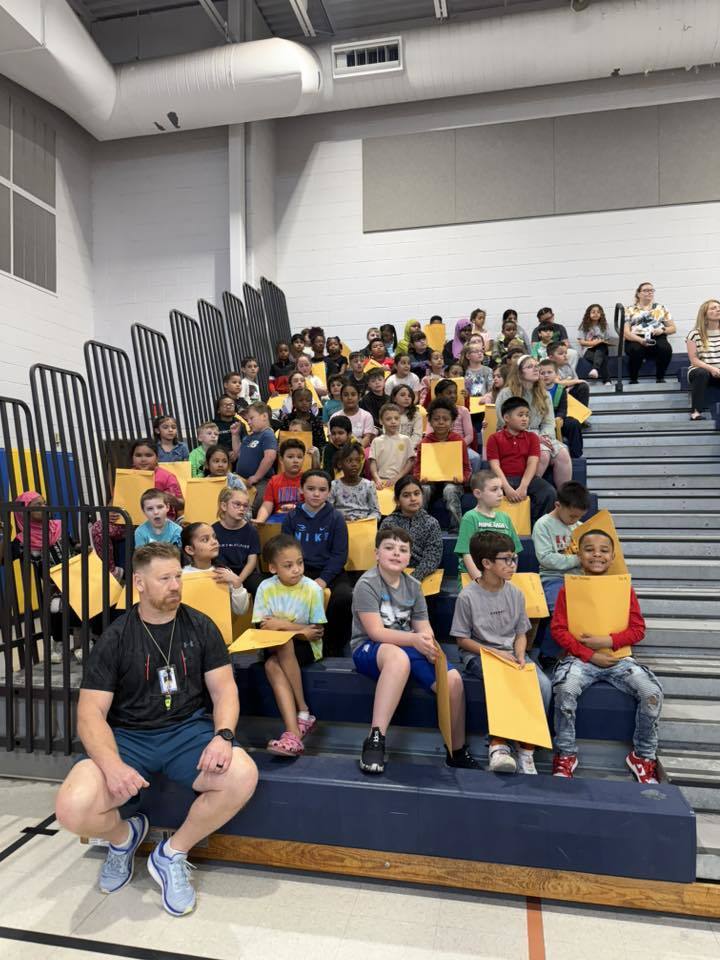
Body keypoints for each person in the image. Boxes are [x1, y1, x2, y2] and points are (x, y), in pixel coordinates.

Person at [54, 542, 259, 917]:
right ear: (139, 583)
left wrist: (223, 735)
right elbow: (89, 715)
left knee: (243, 774)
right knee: (71, 808)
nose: (175, 585)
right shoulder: (115, 638)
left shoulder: (201, 625)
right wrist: (112, 766)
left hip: (187, 733)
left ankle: (171, 853)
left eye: (178, 576)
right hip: (129, 738)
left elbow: (224, 689)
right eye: (164, 578)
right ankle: (124, 837)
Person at [351, 527, 480, 775]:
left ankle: (456, 750)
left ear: (410, 557)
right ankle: (375, 738)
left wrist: (430, 646)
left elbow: (423, 628)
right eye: (389, 548)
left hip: (405, 646)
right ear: (376, 553)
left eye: (403, 550)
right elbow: (377, 632)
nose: (396, 554)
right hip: (369, 648)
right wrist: (415, 640)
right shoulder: (366, 584)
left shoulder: (413, 585)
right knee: (398, 658)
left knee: (452, 679)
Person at [551, 530, 663, 783]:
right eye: (589, 549)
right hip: (580, 659)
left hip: (619, 659)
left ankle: (643, 756)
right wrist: (590, 654)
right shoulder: (568, 590)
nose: (597, 554)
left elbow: (638, 629)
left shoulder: (623, 589)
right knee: (566, 689)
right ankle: (565, 754)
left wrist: (608, 641)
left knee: (651, 692)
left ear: (613, 556)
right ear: (579, 555)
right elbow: (559, 630)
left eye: (603, 550)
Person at [451, 531, 550, 774]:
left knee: (544, 685)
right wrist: (496, 655)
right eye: (506, 559)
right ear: (486, 563)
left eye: (514, 558)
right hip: (480, 655)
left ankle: (527, 746)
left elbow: (520, 633)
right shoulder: (467, 597)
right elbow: (462, 640)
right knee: (505, 681)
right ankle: (498, 744)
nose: (512, 564)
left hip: (511, 653)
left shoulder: (515, 592)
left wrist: (518, 655)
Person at [252, 534, 327, 758]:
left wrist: (282, 626)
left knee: (274, 662)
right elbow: (263, 627)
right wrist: (297, 629)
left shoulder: (312, 589)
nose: (297, 569)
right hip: (273, 644)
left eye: (300, 562)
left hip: (307, 648)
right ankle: (301, 718)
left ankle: (294, 728)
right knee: (275, 657)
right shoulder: (265, 587)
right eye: (288, 565)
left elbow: (315, 632)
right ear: (273, 568)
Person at [281, 470, 352, 656]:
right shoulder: (291, 517)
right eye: (311, 488)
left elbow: (339, 555)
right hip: (299, 570)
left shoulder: (336, 518)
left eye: (322, 489)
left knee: (344, 596)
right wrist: (297, 575)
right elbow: (285, 552)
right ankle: (297, 642)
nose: (316, 493)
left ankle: (333, 646)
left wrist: (323, 580)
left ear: (329, 492)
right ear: (301, 489)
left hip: (330, 571)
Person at [91, 440, 184, 578]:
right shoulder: (127, 476)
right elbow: (113, 502)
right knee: (99, 527)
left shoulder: (166, 476)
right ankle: (112, 572)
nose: (143, 459)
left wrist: (171, 499)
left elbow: (181, 504)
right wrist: (110, 511)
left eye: (148, 455)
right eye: (138, 455)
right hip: (129, 524)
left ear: (156, 457)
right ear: (132, 458)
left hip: (158, 523)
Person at [10, 491, 82, 664]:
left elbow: (73, 545)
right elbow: (5, 558)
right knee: (56, 607)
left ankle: (82, 644)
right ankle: (58, 644)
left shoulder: (57, 526)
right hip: (52, 584)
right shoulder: (22, 540)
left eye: (44, 503)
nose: (44, 507)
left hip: (76, 576)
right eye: (37, 505)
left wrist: (83, 547)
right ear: (24, 512)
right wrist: (4, 534)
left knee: (82, 604)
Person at [495, 356, 573, 488]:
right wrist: (535, 438)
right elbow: (505, 422)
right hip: (513, 435)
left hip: (541, 435)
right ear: (519, 372)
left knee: (563, 454)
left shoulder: (544, 393)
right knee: (542, 453)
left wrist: (545, 436)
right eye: (530, 367)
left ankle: (563, 499)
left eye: (536, 366)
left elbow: (549, 422)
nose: (536, 369)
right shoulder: (506, 393)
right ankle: (526, 491)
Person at [486, 398, 556, 526]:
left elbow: (532, 463)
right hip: (502, 478)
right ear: (506, 417)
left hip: (525, 478)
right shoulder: (494, 438)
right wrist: (506, 487)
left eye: (527, 415)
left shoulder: (532, 437)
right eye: (520, 415)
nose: (525, 419)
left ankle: (537, 527)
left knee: (549, 492)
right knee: (488, 491)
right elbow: (494, 466)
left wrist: (524, 486)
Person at [454, 470, 522, 586]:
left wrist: (508, 574)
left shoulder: (505, 517)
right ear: (478, 493)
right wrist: (480, 580)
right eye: (494, 489)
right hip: (475, 579)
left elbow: (514, 553)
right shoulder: (470, 518)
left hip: (501, 578)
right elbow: (466, 553)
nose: (500, 493)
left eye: (501, 488)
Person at [413, 397, 471, 533]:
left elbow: (466, 468)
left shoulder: (458, 441)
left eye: (445, 419)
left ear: (452, 422)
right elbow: (417, 467)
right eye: (436, 419)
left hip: (452, 481)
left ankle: (457, 527)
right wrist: (419, 477)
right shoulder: (425, 442)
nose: (440, 422)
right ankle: (420, 525)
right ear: (430, 422)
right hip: (430, 481)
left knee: (450, 490)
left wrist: (462, 478)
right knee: (424, 489)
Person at [532, 481, 590, 614]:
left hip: (580, 578)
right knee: (560, 612)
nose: (575, 520)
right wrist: (578, 560)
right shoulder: (543, 525)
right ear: (558, 505)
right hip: (553, 578)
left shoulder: (580, 526)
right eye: (572, 516)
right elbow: (545, 558)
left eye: (580, 517)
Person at [379, 476, 442, 583]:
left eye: (416, 493)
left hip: (423, 576)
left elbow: (432, 559)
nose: (413, 498)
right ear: (397, 500)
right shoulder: (388, 523)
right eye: (406, 495)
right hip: (393, 574)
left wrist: (412, 579)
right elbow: (384, 555)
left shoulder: (432, 523)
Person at [180, 523, 249, 615]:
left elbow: (241, 611)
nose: (214, 542)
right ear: (190, 550)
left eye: (214, 537)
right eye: (205, 539)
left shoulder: (224, 572)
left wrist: (237, 583)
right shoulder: (181, 575)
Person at [212, 487, 263, 594]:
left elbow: (252, 562)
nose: (242, 508)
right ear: (224, 506)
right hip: (222, 573)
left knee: (260, 587)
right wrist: (228, 576)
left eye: (245, 506)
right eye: (237, 504)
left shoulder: (251, 531)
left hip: (246, 575)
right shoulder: (213, 530)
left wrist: (238, 580)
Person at [623, 282, 676, 384]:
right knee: (636, 349)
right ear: (638, 294)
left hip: (657, 336)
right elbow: (626, 333)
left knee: (666, 349)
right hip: (636, 338)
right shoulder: (629, 309)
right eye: (646, 290)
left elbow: (673, 328)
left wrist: (663, 330)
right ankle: (633, 379)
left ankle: (660, 377)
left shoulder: (661, 308)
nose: (649, 292)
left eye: (651, 290)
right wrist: (641, 340)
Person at [232, 403, 278, 515]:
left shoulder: (267, 434)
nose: (248, 422)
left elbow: (270, 457)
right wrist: (235, 435)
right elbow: (237, 454)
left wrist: (257, 477)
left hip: (261, 481)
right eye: (247, 419)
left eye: (252, 418)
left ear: (264, 416)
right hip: (243, 481)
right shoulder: (250, 436)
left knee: (253, 507)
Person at [430, 378, 481, 472]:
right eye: (449, 393)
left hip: (460, 446)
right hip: (439, 446)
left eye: (455, 392)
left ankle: (470, 484)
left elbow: (469, 436)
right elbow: (429, 433)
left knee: (476, 458)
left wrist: (457, 446)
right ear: (439, 395)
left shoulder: (463, 410)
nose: (453, 395)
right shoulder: (434, 412)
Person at [538, 359, 583, 459]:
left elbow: (563, 408)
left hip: (556, 418)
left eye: (549, 372)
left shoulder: (560, 389)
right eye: (542, 373)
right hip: (541, 420)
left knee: (573, 423)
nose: (546, 375)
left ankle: (575, 455)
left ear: (556, 374)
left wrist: (559, 417)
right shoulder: (536, 389)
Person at [256, 438, 306, 522]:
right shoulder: (274, 481)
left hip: (302, 517)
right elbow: (267, 505)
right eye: (290, 457)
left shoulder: (308, 480)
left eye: (299, 457)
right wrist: (259, 520)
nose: (295, 460)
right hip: (279, 518)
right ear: (281, 460)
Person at [329, 441, 381, 521]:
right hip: (342, 525)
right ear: (340, 464)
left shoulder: (368, 485)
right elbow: (328, 512)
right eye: (349, 461)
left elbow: (376, 512)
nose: (354, 464)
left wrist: (365, 520)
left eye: (357, 460)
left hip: (364, 525)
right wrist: (340, 519)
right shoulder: (334, 485)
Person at [687, 299, 720, 421]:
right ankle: (695, 412)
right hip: (702, 370)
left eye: (718, 307)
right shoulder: (694, 334)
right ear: (704, 314)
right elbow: (694, 360)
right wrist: (712, 369)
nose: (718, 309)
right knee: (701, 373)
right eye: (713, 308)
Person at [368, 402, 414, 489]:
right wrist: (377, 479)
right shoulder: (376, 441)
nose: (393, 422)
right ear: (381, 421)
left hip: (401, 480)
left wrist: (397, 478)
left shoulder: (406, 439)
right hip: (381, 480)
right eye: (388, 419)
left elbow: (410, 461)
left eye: (396, 418)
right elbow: (372, 462)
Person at [329, 382, 376, 448]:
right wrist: (342, 453)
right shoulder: (334, 417)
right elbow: (331, 438)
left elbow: (367, 438)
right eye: (346, 395)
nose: (350, 398)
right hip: (339, 453)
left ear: (359, 397)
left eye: (353, 394)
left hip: (360, 452)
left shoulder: (366, 416)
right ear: (341, 398)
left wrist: (355, 452)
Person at [278, 387, 326, 452]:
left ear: (311, 403)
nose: (304, 403)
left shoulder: (316, 421)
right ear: (294, 403)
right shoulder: (287, 419)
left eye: (308, 400)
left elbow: (321, 443)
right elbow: (281, 439)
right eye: (300, 400)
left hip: (310, 454)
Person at [578, 304, 614, 384]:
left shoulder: (604, 326)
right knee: (603, 359)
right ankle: (607, 381)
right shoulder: (584, 326)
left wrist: (601, 342)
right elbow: (581, 342)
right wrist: (593, 343)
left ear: (601, 314)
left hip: (601, 349)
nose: (596, 314)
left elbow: (607, 340)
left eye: (598, 312)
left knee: (601, 345)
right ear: (588, 314)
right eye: (593, 312)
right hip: (588, 350)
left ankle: (595, 369)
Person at [547, 342, 590, 407]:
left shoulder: (568, 365)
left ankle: (582, 412)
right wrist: (575, 381)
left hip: (568, 391)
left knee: (582, 386)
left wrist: (570, 387)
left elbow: (575, 380)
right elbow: (558, 383)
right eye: (561, 354)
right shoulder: (549, 368)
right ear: (551, 357)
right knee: (561, 389)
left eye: (566, 353)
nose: (565, 355)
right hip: (554, 396)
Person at [391, 384, 424, 455]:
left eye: (409, 396)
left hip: (410, 449)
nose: (407, 398)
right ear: (394, 398)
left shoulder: (416, 415)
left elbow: (417, 435)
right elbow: (387, 434)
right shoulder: (388, 414)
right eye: (402, 395)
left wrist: (407, 449)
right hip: (392, 448)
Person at [213, 395, 241, 460]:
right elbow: (210, 444)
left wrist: (236, 452)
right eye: (224, 405)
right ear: (218, 410)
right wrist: (225, 453)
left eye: (231, 405)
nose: (228, 407)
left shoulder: (240, 424)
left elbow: (246, 441)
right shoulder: (213, 425)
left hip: (239, 457)